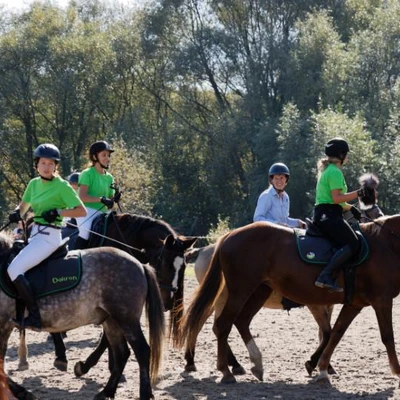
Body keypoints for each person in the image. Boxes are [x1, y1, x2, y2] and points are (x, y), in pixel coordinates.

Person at [7, 144, 87, 330]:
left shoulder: (62, 186)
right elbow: (24, 207)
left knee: (14, 269)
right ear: (37, 164)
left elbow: (81, 211)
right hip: (34, 235)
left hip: (49, 237)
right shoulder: (33, 184)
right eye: (43, 163)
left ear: (55, 166)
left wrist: (59, 211)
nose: (46, 167)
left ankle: (35, 317)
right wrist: (16, 213)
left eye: (51, 163)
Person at [313, 138, 365, 293]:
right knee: (353, 243)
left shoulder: (328, 170)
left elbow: (333, 200)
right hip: (329, 216)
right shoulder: (335, 172)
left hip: (326, 213)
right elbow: (336, 198)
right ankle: (325, 275)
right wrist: (358, 193)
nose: (347, 157)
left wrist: (350, 208)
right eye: (346, 154)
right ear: (341, 155)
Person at [74, 141, 118, 250]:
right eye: (104, 155)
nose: (107, 158)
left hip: (103, 214)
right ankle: (75, 256)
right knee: (86, 232)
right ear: (94, 157)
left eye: (108, 155)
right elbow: (82, 197)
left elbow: (111, 205)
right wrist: (100, 200)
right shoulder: (87, 173)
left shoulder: (110, 178)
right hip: (85, 211)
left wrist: (115, 200)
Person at [253, 162, 306, 228]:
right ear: (272, 180)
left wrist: (298, 222)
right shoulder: (267, 196)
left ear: (286, 180)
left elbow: (285, 220)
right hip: (267, 234)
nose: (279, 181)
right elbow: (257, 218)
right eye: (276, 178)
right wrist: (276, 224)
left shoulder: (286, 197)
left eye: (281, 178)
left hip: (280, 235)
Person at [61, 172, 81, 249]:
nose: (74, 185)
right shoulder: (68, 193)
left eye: (76, 183)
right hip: (71, 220)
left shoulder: (81, 192)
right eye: (72, 183)